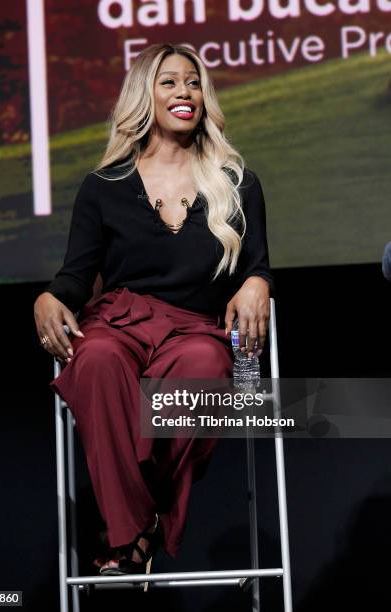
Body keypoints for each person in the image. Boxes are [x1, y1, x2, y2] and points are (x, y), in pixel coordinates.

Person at [33, 43, 273, 578]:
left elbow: (258, 262)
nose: (184, 91)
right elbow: (76, 275)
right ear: (145, 95)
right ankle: (136, 531)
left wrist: (258, 281)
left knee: (205, 370)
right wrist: (49, 297)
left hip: (195, 329)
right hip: (120, 321)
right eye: (169, 81)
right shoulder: (104, 186)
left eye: (193, 82)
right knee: (95, 361)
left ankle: (126, 531)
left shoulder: (237, 182)